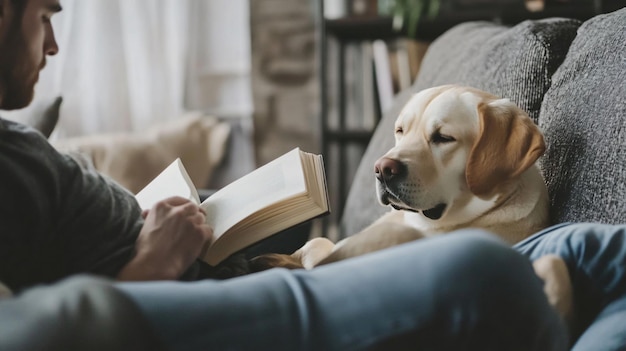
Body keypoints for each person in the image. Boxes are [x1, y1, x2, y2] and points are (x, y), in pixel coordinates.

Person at [0, 0, 624, 350]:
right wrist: (149, 268)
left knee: (604, 247)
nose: (53, 44)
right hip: (188, 299)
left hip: (225, 259)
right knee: (488, 273)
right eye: (44, 17)